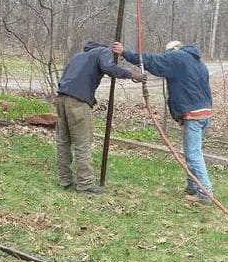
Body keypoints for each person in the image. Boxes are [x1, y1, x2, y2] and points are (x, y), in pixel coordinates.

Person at [113, 40, 214, 205]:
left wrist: (124, 53)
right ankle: (192, 187)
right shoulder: (197, 62)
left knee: (193, 154)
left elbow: (152, 61)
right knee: (194, 152)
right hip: (205, 113)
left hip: (194, 114)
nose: (168, 57)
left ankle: (205, 193)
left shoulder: (178, 57)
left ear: (172, 51)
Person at [56, 41, 146, 194]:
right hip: (78, 102)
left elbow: (69, 77)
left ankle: (64, 179)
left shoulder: (79, 56)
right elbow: (108, 68)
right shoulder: (103, 51)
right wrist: (132, 74)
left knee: (63, 141)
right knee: (82, 141)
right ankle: (85, 183)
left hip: (62, 98)